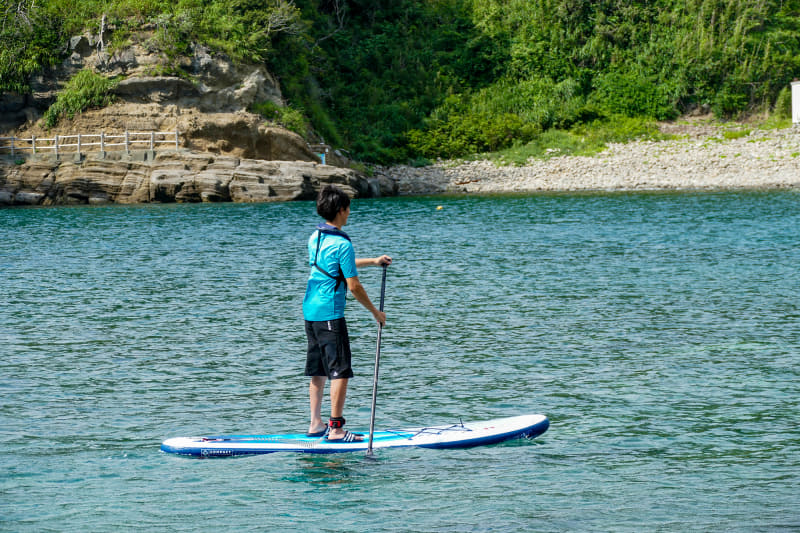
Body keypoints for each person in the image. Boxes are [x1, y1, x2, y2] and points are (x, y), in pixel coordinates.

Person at [302, 185, 392, 442]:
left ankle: (316, 423)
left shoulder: (315, 236)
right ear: (341, 210)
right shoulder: (342, 243)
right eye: (349, 208)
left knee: (318, 370)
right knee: (339, 370)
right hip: (330, 313)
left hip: (311, 310)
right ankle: (336, 429)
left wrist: (373, 261)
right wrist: (376, 312)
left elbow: (334, 266)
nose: (350, 213)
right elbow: (354, 285)